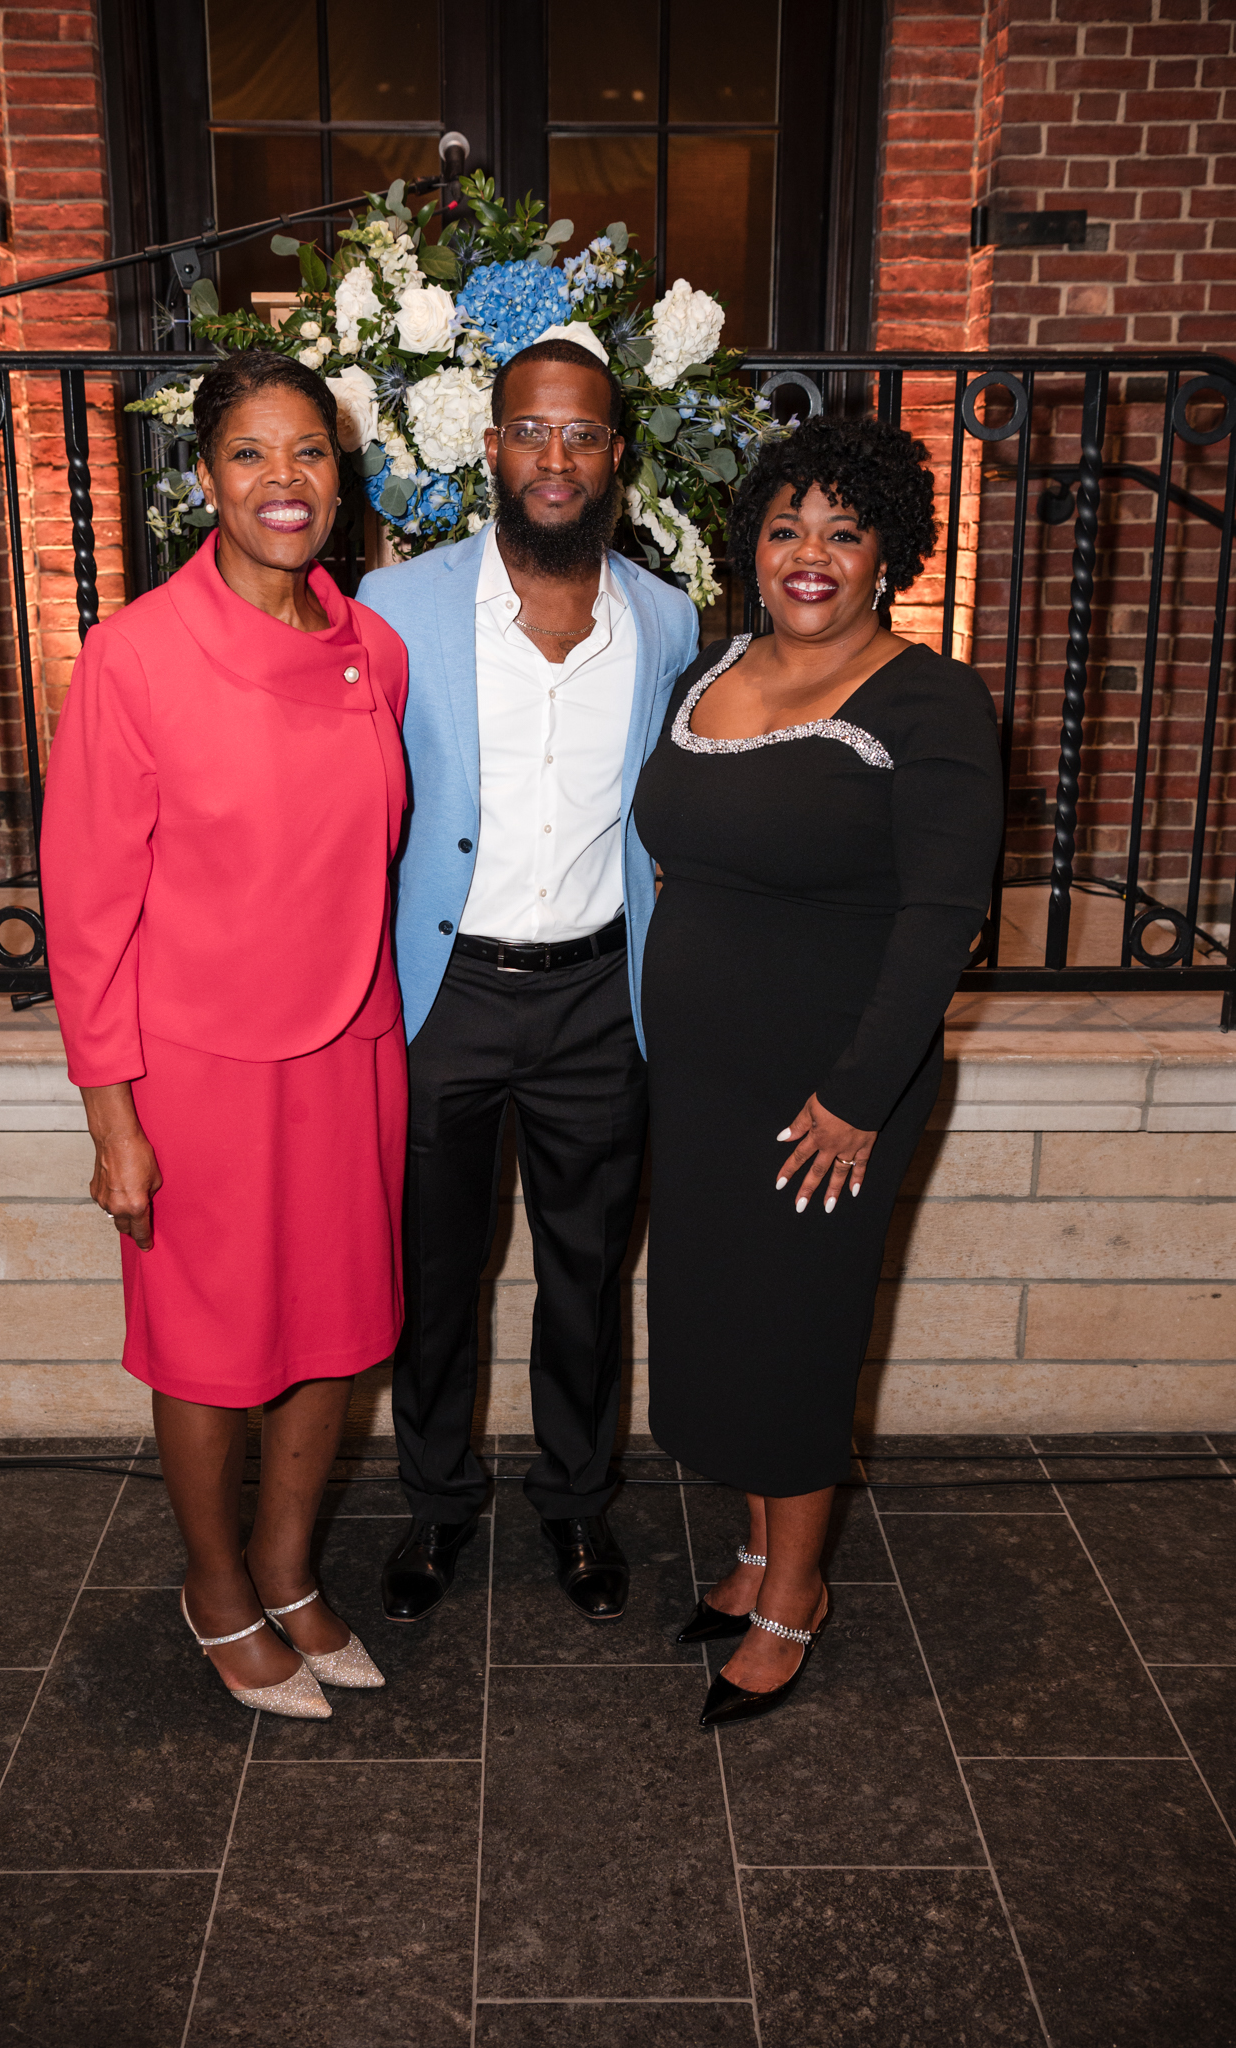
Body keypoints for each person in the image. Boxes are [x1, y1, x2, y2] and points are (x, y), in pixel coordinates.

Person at [41, 351, 409, 1719]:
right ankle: (215, 1589)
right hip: (194, 1070)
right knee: (209, 1345)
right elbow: (87, 910)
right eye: (251, 453)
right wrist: (114, 1122)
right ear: (205, 480)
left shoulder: (377, 651)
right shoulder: (135, 656)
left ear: (340, 477)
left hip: (354, 1047)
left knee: (336, 1329)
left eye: (308, 451)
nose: (283, 480)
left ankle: (291, 1573)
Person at [632, 415, 1003, 1726]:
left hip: (829, 1090)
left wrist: (856, 1096)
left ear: (887, 553)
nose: (811, 555)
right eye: (788, 527)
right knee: (724, 1321)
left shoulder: (929, 699)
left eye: (845, 533)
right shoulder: (713, 668)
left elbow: (942, 919)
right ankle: (752, 1553)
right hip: (701, 1080)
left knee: (793, 1335)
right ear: (753, 543)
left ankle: (794, 1597)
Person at [357, 336, 698, 1626]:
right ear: (492, 446)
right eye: (532, 431)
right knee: (433, 1276)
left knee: (587, 1276)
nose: (557, 458)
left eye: (584, 434)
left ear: (617, 455)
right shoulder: (399, 607)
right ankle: (437, 1501)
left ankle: (576, 1501)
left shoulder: (664, 620)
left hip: (600, 1001)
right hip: (443, 995)